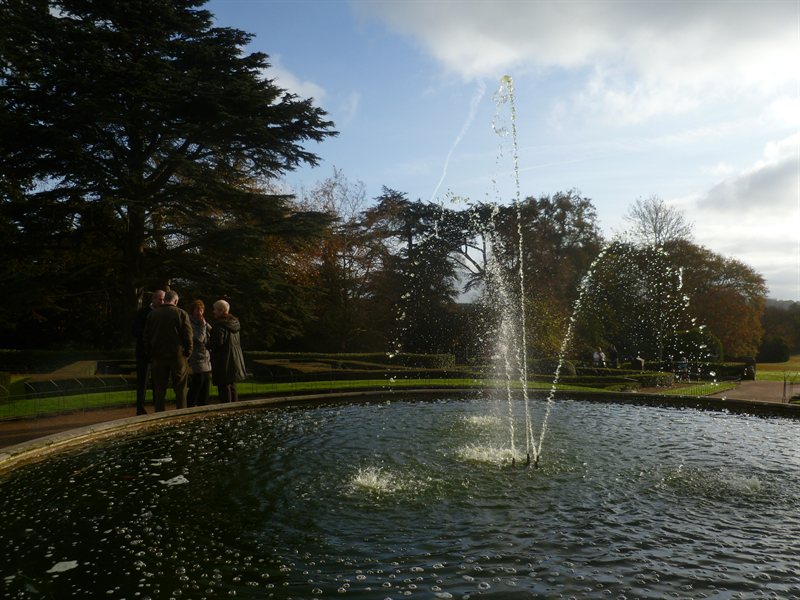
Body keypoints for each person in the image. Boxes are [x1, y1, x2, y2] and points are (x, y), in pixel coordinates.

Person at [143, 290, 193, 412]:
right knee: (180, 388)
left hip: (158, 355)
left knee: (159, 389)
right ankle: (181, 414)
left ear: (165, 299)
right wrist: (188, 352)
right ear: (175, 301)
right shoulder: (180, 313)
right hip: (177, 355)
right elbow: (188, 336)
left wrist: (149, 353)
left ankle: (160, 415)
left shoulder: (152, 315)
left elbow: (146, 337)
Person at [131, 289, 165, 415]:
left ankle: (158, 408)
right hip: (143, 353)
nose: (162, 302)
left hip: (158, 354)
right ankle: (140, 409)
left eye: (163, 299)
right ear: (154, 299)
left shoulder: (163, 313)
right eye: (160, 299)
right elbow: (134, 331)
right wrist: (148, 334)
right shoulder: (143, 312)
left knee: (158, 382)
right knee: (142, 382)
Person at [208, 299, 246, 403]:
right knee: (232, 387)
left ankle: (226, 413)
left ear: (221, 310)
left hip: (223, 362)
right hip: (234, 361)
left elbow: (217, 344)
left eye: (215, 309)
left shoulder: (219, 325)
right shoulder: (234, 324)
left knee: (224, 389)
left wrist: (206, 344)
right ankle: (235, 413)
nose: (213, 312)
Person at [187, 299, 212, 407]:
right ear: (192, 311)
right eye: (197, 309)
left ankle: (203, 405)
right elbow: (199, 338)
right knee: (198, 381)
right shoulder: (189, 323)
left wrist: (205, 324)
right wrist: (203, 325)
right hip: (196, 357)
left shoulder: (203, 322)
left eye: (201, 310)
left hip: (206, 357)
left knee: (206, 382)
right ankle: (191, 405)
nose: (199, 312)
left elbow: (212, 332)